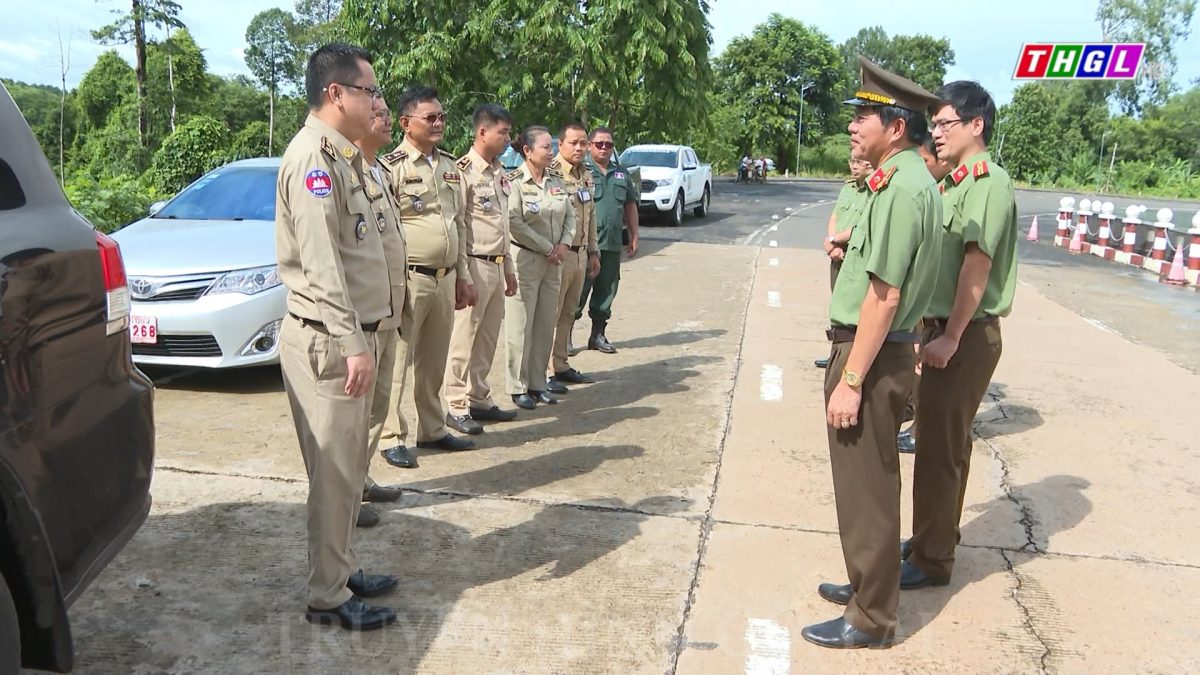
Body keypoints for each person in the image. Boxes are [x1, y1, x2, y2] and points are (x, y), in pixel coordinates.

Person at [803, 56, 942, 650]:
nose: (853, 125)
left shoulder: (901, 187)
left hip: (873, 353)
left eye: (864, 115)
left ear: (897, 126)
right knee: (870, 485)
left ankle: (871, 617)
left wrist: (852, 378)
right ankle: (869, 585)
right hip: (878, 349)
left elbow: (885, 297)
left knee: (868, 491)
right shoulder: (899, 180)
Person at [275, 42, 402, 631]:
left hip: (355, 337)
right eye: (368, 91)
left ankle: (342, 568)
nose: (376, 102)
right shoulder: (314, 160)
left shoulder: (347, 158)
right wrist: (354, 344)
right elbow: (323, 264)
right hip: (329, 342)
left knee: (349, 470)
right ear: (336, 93)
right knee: (333, 477)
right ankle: (326, 595)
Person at [900, 81, 1018, 590]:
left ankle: (931, 559)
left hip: (965, 334)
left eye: (946, 123)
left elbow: (977, 264)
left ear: (976, 125)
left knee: (938, 449)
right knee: (941, 443)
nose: (937, 133)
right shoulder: (954, 183)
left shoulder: (987, 183)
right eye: (935, 125)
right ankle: (932, 536)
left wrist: (949, 336)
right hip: (946, 328)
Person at [376, 86, 477, 468]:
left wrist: (464, 275)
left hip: (445, 277)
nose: (439, 123)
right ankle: (391, 435)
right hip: (410, 279)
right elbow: (386, 231)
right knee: (398, 360)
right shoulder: (392, 168)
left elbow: (459, 224)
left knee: (434, 360)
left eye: (442, 117)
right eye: (430, 117)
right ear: (405, 123)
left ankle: (432, 428)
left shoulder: (451, 167)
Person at [442, 104, 521, 436]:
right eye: (503, 132)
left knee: (487, 338)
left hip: (498, 263)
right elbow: (459, 224)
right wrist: (463, 274)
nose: (508, 139)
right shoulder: (462, 171)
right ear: (482, 132)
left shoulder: (499, 171)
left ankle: (478, 397)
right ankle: (455, 404)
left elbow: (503, 225)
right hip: (474, 263)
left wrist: (509, 268)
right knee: (463, 339)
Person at [348, 103, 409, 528]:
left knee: (378, 407)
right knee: (355, 415)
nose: (386, 120)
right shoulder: (345, 172)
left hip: (389, 310)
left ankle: (361, 479)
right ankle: (345, 497)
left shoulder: (381, 171)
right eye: (379, 113)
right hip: (362, 315)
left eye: (388, 113)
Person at [506, 126, 577, 409]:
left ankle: (537, 383)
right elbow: (514, 222)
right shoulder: (514, 181)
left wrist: (564, 244)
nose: (552, 152)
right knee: (521, 327)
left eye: (552, 147)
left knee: (545, 324)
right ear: (527, 150)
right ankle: (517, 386)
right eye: (546, 147)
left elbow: (570, 216)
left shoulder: (556, 180)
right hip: (527, 261)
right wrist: (547, 247)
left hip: (554, 263)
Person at [896, 137, 952, 454]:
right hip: (926, 304)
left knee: (925, 374)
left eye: (926, 162)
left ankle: (920, 429)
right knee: (920, 371)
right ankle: (915, 421)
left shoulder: (943, 192)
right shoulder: (936, 191)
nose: (923, 167)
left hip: (941, 310)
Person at [547, 122, 600, 391]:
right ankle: (544, 370)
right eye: (573, 143)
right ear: (560, 144)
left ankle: (561, 364)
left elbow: (591, 216)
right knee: (551, 314)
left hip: (580, 255)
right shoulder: (550, 173)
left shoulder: (586, 174)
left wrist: (593, 251)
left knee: (569, 313)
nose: (579, 148)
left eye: (583, 143)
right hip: (559, 254)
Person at [577, 127, 639, 354]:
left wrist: (634, 235)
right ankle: (564, 339)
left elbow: (630, 205)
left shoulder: (621, 173)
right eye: (599, 144)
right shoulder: (581, 171)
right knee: (577, 290)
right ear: (589, 146)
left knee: (607, 289)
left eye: (609, 144)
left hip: (611, 242)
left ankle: (598, 335)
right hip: (585, 243)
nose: (604, 148)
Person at [814, 157, 872, 369]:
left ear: (869, 164)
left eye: (859, 162)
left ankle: (854, 357)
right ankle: (836, 355)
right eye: (851, 161)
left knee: (854, 310)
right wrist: (832, 243)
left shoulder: (875, 190)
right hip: (837, 253)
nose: (854, 166)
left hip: (853, 256)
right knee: (838, 306)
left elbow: (863, 226)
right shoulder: (848, 188)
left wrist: (835, 241)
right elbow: (835, 217)